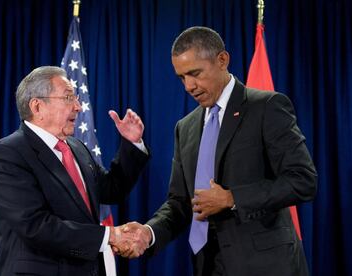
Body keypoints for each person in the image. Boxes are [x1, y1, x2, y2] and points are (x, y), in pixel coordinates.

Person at [119, 26, 317, 276]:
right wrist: (149, 232)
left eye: (195, 73)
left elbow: (303, 180)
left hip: (267, 266)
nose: (189, 86)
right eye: (182, 77)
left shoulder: (266, 107)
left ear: (222, 60)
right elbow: (181, 203)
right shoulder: (186, 127)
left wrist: (233, 198)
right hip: (208, 266)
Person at [0, 66, 150, 276]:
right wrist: (109, 236)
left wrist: (132, 144)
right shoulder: (10, 152)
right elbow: (34, 225)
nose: (78, 106)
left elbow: (112, 189)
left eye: (76, 98)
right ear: (37, 107)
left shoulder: (76, 147)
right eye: (68, 98)